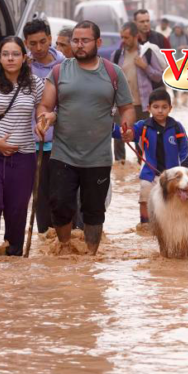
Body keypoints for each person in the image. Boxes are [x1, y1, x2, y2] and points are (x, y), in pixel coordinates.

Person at [36, 21, 136, 255]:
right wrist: (44, 119)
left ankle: (91, 257)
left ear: (98, 43)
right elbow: (45, 105)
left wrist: (127, 126)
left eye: (85, 41)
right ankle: (64, 249)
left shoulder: (113, 73)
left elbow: (127, 107)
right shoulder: (59, 71)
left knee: (94, 211)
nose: (79, 46)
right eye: (76, 41)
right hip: (63, 154)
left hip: (98, 157)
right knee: (60, 206)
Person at [0, 36, 45, 256]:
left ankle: (13, 258)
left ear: (24, 58)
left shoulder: (35, 84)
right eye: (5, 54)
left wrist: (42, 122)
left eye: (15, 54)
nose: (10, 58)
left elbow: (44, 109)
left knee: (17, 211)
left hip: (23, 157)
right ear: (0, 58)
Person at [112, 88, 188, 228]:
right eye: (156, 107)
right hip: (150, 173)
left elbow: (185, 149)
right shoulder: (143, 127)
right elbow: (127, 134)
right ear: (149, 108)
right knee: (145, 198)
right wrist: (112, 128)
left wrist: (185, 170)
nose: (160, 111)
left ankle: (174, 226)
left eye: (164, 107)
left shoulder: (177, 127)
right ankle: (145, 225)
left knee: (176, 201)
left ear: (170, 108)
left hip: (172, 176)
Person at [23, 19, 65, 234]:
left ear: (50, 39)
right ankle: (45, 242)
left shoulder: (64, 66)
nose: (38, 48)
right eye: (33, 44)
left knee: (62, 197)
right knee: (39, 199)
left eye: (42, 42)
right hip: (32, 145)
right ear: (26, 43)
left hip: (62, 144)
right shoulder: (22, 68)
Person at [111, 22, 163, 163]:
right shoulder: (116, 55)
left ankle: (141, 168)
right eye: (122, 37)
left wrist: (145, 67)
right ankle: (121, 170)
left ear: (136, 36)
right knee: (119, 139)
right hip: (121, 104)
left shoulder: (147, 54)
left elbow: (159, 76)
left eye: (127, 37)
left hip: (142, 104)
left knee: (141, 139)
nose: (123, 40)